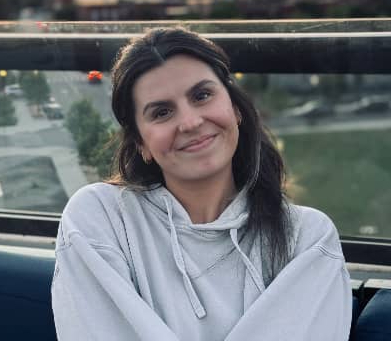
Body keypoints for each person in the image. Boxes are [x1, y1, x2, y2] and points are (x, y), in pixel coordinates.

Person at [52, 27, 352, 341]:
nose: (191, 122)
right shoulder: (100, 218)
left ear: (235, 108)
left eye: (202, 95)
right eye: (162, 112)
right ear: (141, 143)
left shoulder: (306, 238)